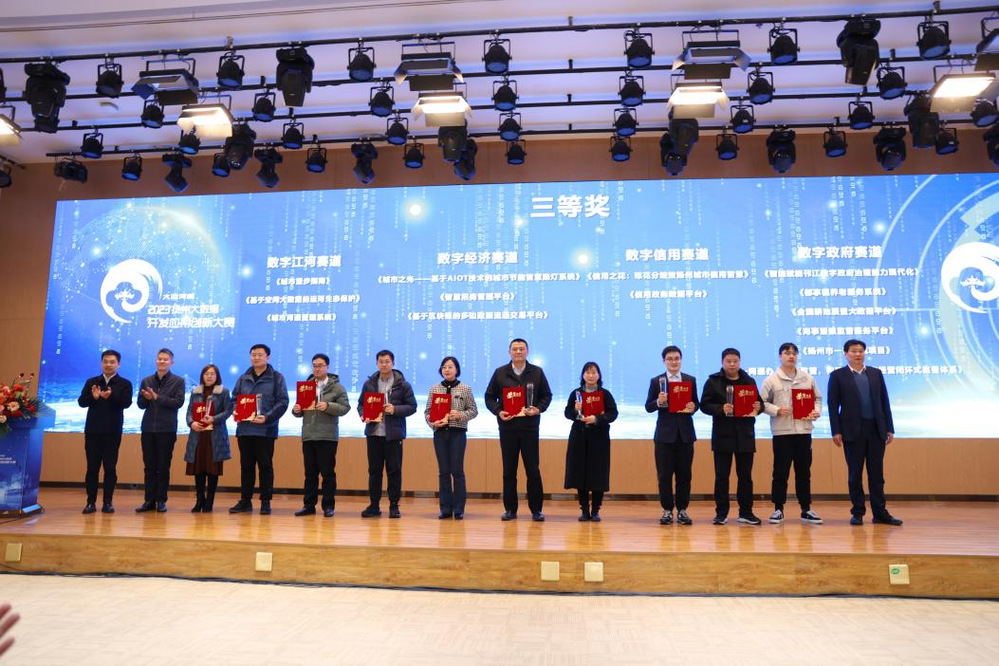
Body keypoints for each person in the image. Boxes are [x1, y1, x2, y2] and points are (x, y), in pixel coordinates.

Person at [827, 339, 902, 526]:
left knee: (877, 475)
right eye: (853, 351)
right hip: (852, 431)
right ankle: (858, 512)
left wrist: (889, 427)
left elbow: (884, 401)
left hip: (876, 430)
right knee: (855, 474)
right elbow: (833, 405)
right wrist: (836, 431)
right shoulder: (837, 376)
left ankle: (880, 513)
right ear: (846, 354)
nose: (858, 354)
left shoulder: (876, 373)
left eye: (861, 351)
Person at [484, 338, 553, 522]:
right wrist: (498, 411)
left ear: (527, 351)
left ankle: (536, 510)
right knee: (509, 471)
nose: (518, 352)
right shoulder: (500, 373)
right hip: (508, 428)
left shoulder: (537, 372)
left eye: (521, 349)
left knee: (533, 470)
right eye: (514, 349)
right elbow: (489, 397)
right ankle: (510, 509)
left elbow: (547, 395)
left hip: (530, 428)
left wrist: (538, 409)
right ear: (509, 352)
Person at [700, 347, 764, 526]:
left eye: (735, 361)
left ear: (740, 362)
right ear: (722, 362)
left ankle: (746, 512)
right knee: (722, 476)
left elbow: (759, 405)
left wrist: (758, 407)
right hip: (723, 435)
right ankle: (721, 513)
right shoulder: (713, 381)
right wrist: (720, 409)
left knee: (745, 477)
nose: (732, 364)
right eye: (728, 361)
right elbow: (704, 405)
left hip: (745, 434)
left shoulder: (749, 381)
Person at [761, 342, 823, 525]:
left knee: (804, 472)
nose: (791, 356)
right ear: (780, 356)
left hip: (803, 431)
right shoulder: (771, 380)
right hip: (782, 432)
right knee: (780, 472)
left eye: (794, 353)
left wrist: (816, 411)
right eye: (787, 353)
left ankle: (806, 509)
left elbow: (817, 399)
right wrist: (776, 410)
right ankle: (778, 509)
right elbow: (761, 403)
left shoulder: (807, 378)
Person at [229, 344, 289, 515]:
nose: (256, 357)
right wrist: (235, 410)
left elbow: (283, 402)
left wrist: (267, 417)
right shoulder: (243, 378)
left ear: (267, 357)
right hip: (245, 430)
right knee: (246, 467)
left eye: (260, 355)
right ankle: (245, 501)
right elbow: (234, 399)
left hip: (266, 430)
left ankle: (265, 501)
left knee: (265, 467)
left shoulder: (276, 377)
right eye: (253, 354)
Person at [357, 350, 416, 518]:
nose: (384, 364)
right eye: (381, 361)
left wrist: (395, 409)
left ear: (393, 363)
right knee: (374, 471)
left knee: (394, 471)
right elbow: (361, 404)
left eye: (387, 361)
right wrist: (363, 414)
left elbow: (412, 407)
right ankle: (374, 505)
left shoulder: (403, 385)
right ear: (377, 363)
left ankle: (394, 505)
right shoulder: (369, 383)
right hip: (374, 433)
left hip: (393, 435)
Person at [644, 345, 699, 526]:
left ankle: (682, 510)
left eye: (676, 358)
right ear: (664, 361)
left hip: (685, 435)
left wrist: (693, 407)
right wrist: (658, 402)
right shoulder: (656, 381)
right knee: (664, 475)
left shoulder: (690, 380)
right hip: (664, 436)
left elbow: (696, 403)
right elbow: (648, 406)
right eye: (670, 359)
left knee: (685, 475)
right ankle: (667, 510)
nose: (674, 362)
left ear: (681, 360)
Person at [291, 353, 350, 518]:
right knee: (310, 474)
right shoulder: (306, 386)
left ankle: (328, 506)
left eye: (320, 365)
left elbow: (345, 408)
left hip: (327, 436)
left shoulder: (337, 387)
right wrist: (296, 410)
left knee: (327, 473)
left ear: (327, 367)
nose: (317, 369)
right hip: (309, 435)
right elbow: (300, 409)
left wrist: (328, 406)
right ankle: (309, 505)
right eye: (314, 365)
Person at [77, 349, 133, 514]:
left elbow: (126, 403)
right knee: (92, 468)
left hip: (112, 432)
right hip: (93, 431)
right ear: (101, 363)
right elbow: (81, 402)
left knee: (110, 468)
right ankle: (90, 502)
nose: (108, 365)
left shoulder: (125, 383)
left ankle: (108, 502)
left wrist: (111, 397)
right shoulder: (92, 382)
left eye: (112, 362)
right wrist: (93, 398)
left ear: (118, 364)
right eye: (105, 361)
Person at [425, 356, 479, 520]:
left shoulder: (465, 388)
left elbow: (473, 411)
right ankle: (445, 509)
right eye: (444, 367)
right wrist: (433, 422)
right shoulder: (434, 389)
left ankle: (459, 508)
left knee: (457, 472)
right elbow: (427, 412)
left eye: (450, 367)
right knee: (443, 472)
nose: (446, 370)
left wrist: (460, 415)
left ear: (457, 370)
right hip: (440, 433)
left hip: (457, 433)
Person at [563, 361, 618, 522]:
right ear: (583, 375)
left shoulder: (605, 394)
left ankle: (595, 510)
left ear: (599, 375)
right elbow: (567, 413)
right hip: (579, 437)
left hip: (599, 438)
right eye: (588, 372)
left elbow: (613, 413)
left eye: (594, 372)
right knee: (580, 473)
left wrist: (597, 419)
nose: (591, 375)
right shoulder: (576, 393)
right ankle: (584, 510)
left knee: (598, 473)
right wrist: (575, 410)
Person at [135, 348, 186, 513]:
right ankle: (149, 500)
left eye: (165, 359)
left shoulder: (178, 381)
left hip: (167, 429)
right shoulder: (147, 380)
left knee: (163, 466)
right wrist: (146, 398)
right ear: (156, 361)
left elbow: (178, 403)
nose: (162, 361)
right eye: (159, 359)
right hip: (148, 429)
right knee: (149, 466)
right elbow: (140, 405)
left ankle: (161, 500)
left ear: (172, 362)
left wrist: (157, 397)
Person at [183, 364, 233, 513]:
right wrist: (191, 423)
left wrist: (213, 419)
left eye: (212, 374)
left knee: (212, 470)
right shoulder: (195, 392)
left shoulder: (223, 392)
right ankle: (199, 500)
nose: (209, 376)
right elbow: (189, 411)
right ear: (202, 376)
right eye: (206, 374)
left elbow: (228, 411)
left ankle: (209, 501)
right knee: (198, 469)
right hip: (198, 435)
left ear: (217, 376)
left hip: (214, 436)